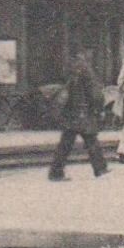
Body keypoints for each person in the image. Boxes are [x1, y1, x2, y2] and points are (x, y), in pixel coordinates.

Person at [48, 47, 109, 181]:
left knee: (66, 142)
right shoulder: (85, 68)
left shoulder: (70, 68)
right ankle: (100, 168)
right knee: (91, 139)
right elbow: (94, 93)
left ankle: (56, 172)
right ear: (85, 52)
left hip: (71, 112)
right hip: (84, 112)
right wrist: (100, 108)